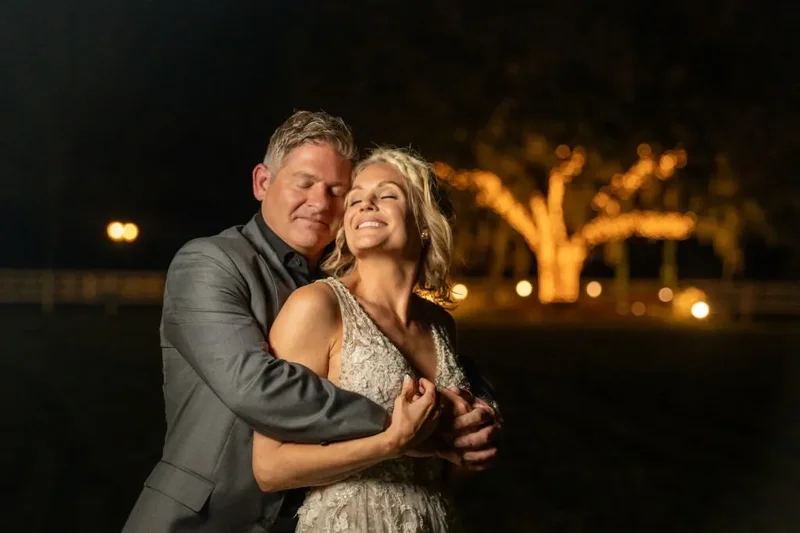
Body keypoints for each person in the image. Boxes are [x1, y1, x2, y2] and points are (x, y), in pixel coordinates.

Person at [121, 111, 499, 533]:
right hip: (204, 519)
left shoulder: (349, 285)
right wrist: (410, 427)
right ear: (262, 182)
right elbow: (256, 385)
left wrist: (478, 401)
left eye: (338, 191)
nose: (320, 203)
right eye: (304, 184)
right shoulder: (210, 264)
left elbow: (416, 352)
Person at [250, 147, 498, 532]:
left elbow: (442, 469)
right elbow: (269, 467)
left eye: (386, 195)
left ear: (425, 221)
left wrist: (473, 445)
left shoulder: (440, 324)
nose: (365, 204)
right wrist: (390, 443)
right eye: (354, 199)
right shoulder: (317, 306)